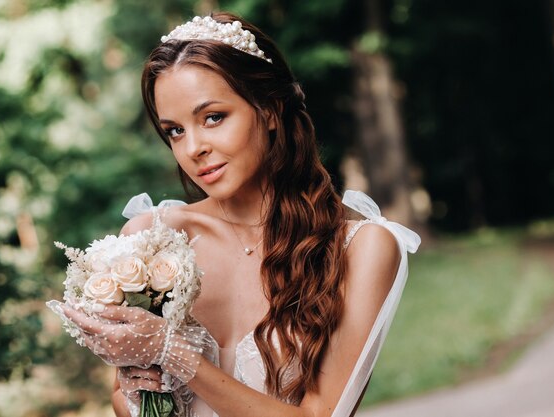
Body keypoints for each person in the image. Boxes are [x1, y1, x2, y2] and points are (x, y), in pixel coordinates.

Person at [59, 11, 420, 417]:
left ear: (269, 110)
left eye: (213, 118)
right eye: (175, 130)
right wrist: (141, 391)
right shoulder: (152, 240)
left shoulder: (361, 248)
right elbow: (124, 401)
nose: (193, 147)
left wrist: (174, 352)